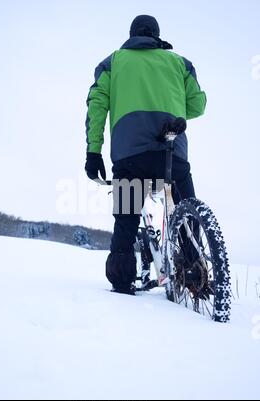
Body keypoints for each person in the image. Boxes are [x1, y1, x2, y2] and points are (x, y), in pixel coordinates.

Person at [85, 15, 207, 295]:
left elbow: (97, 105)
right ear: (156, 36)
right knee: (188, 210)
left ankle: (122, 281)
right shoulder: (179, 63)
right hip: (171, 153)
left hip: (129, 156)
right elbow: (198, 105)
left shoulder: (112, 63)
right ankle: (194, 271)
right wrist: (170, 104)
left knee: (127, 218)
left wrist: (93, 152)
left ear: (132, 35)